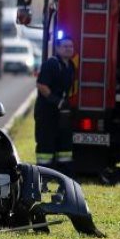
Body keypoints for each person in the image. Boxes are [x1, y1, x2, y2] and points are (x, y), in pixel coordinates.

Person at [34, 36, 76, 171]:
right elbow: (41, 85)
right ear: (57, 48)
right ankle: (43, 176)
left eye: (70, 46)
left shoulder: (70, 66)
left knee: (64, 145)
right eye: (65, 46)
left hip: (59, 112)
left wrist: (64, 103)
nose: (68, 49)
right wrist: (56, 100)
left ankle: (64, 175)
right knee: (45, 146)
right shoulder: (51, 64)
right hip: (46, 112)